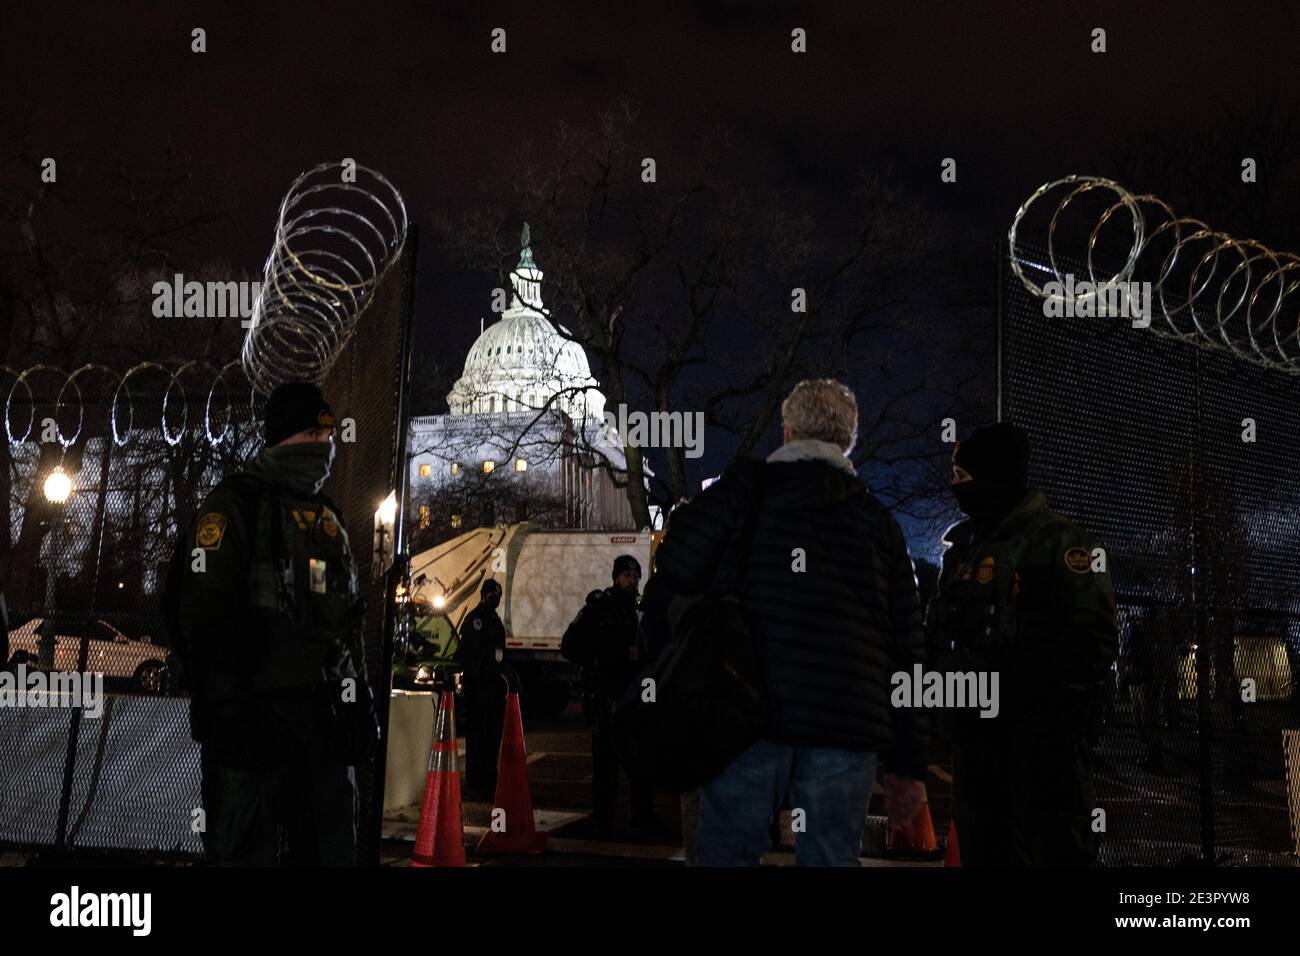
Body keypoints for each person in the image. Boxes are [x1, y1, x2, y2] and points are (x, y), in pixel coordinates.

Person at [652, 378, 930, 866]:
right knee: (830, 856)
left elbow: (675, 565)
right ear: (847, 441)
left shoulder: (743, 492)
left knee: (728, 853)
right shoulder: (878, 523)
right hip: (846, 721)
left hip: (747, 711)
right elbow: (908, 649)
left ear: (787, 433)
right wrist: (908, 763)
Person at [177, 381, 378, 866]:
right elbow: (201, 616)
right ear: (284, 438)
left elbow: (345, 629)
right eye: (313, 433)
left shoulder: (327, 518)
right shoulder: (234, 507)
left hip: (320, 723)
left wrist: (356, 703)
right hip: (252, 723)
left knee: (330, 849)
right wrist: (228, 712)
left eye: (328, 436)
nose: (325, 448)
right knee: (247, 850)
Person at [926, 422, 1117, 866]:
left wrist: (1020, 693)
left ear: (992, 477)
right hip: (976, 748)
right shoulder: (962, 551)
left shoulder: (1062, 543)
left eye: (963, 476)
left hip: (1043, 753)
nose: (956, 486)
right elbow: (940, 637)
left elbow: (1091, 643)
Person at [561, 554, 656, 834]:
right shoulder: (601, 607)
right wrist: (604, 658)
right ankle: (604, 821)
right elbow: (571, 646)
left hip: (633, 699)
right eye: (627, 576)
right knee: (606, 765)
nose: (633, 581)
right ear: (616, 577)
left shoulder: (636, 610)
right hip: (607, 698)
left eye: (636, 576)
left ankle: (642, 820)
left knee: (640, 764)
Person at [458, 578, 507, 800]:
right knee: (477, 734)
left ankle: (488, 775)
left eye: (498, 595)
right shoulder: (475, 620)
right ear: (484, 595)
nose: (495, 599)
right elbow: (469, 655)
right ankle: (476, 779)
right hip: (478, 688)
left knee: (492, 734)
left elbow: (499, 653)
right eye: (492, 595)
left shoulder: (493, 619)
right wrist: (479, 682)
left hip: (493, 686)